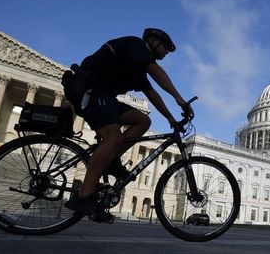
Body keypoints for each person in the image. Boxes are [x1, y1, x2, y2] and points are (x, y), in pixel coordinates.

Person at [64, 28, 193, 220]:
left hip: (105, 96)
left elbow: (152, 94)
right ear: (153, 41)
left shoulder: (137, 68)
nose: (166, 52)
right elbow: (156, 71)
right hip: (90, 91)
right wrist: (179, 99)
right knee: (114, 137)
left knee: (143, 120)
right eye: (165, 47)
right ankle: (83, 196)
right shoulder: (135, 45)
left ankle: (112, 161)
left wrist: (170, 119)